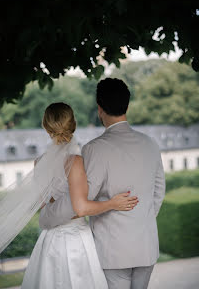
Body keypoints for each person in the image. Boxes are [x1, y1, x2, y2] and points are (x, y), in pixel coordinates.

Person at [39, 78, 166, 289]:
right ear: (127, 104)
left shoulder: (94, 149)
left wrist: (47, 216)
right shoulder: (150, 143)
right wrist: (139, 222)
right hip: (147, 246)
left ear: (99, 109)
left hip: (112, 250)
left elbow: (80, 201)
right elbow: (158, 193)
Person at [21, 102, 138, 289]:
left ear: (46, 126)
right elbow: (81, 208)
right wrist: (112, 203)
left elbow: (45, 207)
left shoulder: (39, 162)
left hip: (49, 240)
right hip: (75, 240)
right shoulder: (75, 161)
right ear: (73, 124)